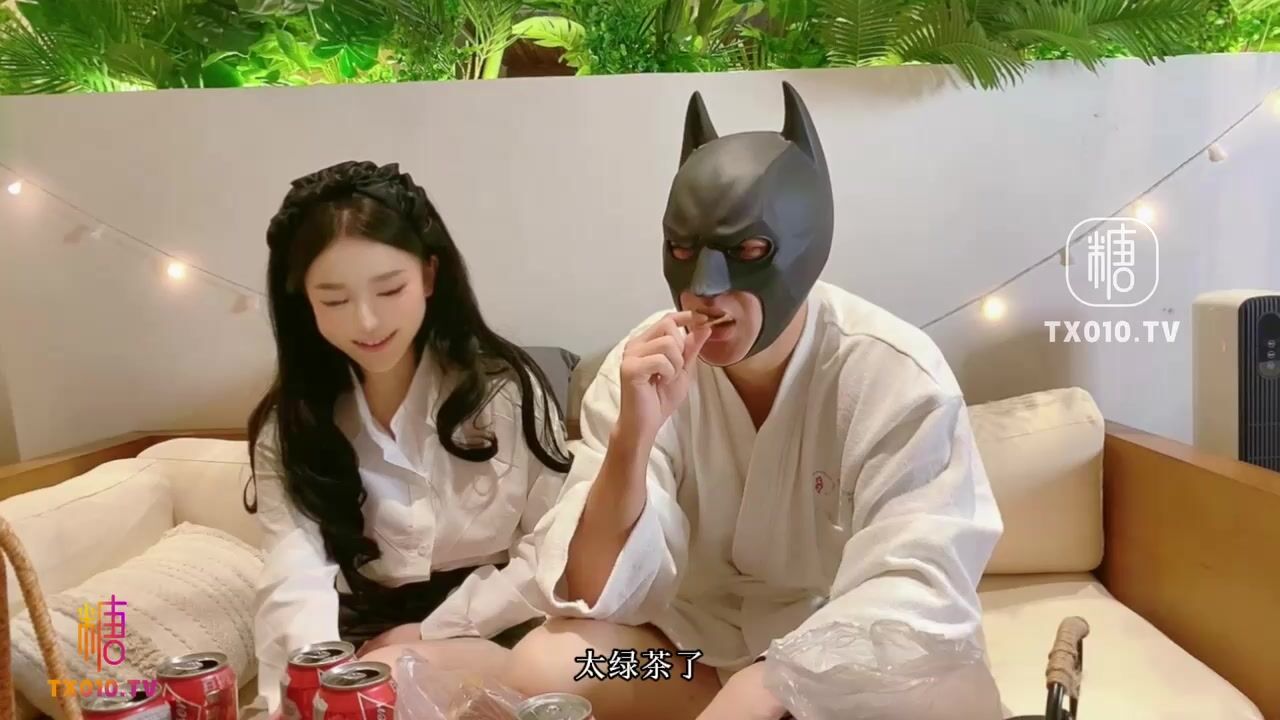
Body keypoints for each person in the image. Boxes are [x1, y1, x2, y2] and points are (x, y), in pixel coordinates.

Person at [504, 83, 1005, 720]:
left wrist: (773, 682)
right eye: (683, 251)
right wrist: (633, 438)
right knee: (544, 668)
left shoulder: (893, 371)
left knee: (955, 698)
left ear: (806, 247)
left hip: (834, 666)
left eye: (745, 253)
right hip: (695, 659)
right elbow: (595, 588)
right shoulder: (641, 367)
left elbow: (917, 584)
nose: (704, 289)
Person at [244, 160, 572, 713]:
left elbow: (554, 547)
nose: (367, 322)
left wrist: (432, 631)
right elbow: (293, 577)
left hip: (499, 626)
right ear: (303, 301)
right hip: (356, 641)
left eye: (390, 289)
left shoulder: (506, 393)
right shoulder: (293, 425)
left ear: (428, 276)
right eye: (334, 300)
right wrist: (308, 690)